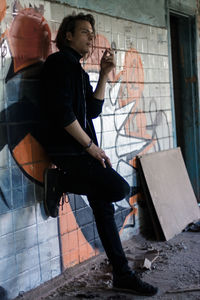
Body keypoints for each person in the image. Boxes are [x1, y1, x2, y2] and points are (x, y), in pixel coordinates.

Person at [40, 13, 158, 296]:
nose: (91, 38)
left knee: (104, 207)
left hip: (79, 149)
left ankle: (122, 275)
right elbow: (63, 113)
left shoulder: (78, 70)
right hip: (69, 150)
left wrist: (104, 74)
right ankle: (60, 182)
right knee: (119, 187)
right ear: (67, 35)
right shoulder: (59, 64)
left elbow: (92, 111)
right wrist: (89, 147)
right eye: (84, 33)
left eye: (93, 34)